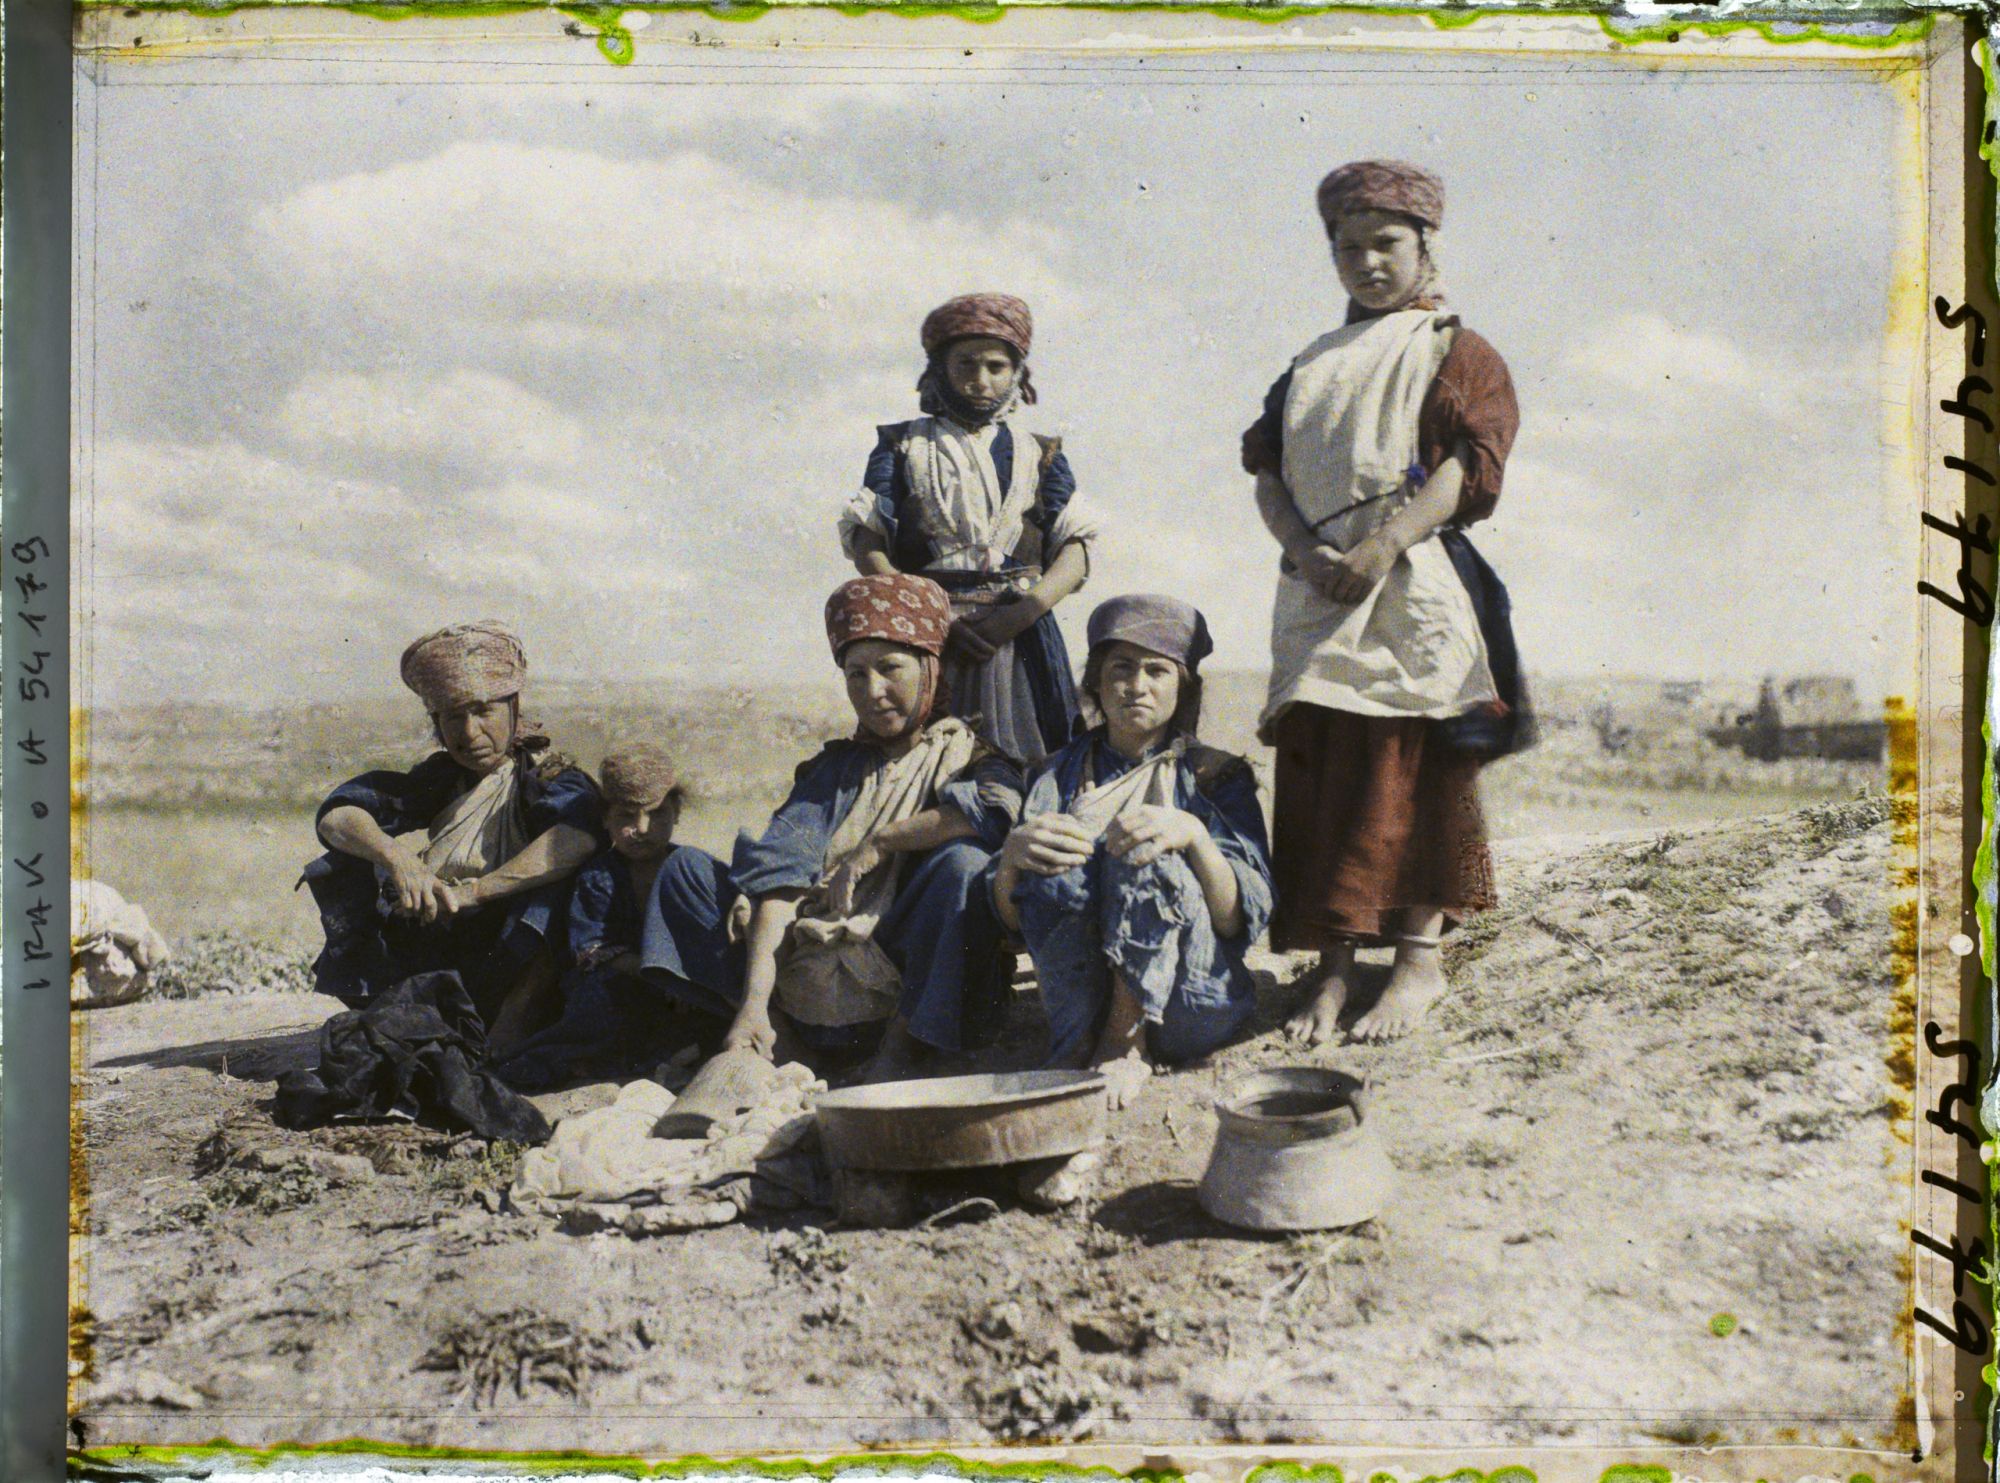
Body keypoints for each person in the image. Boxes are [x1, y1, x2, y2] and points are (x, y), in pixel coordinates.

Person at [1239, 159, 1527, 1046]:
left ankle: (1415, 962)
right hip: (1321, 582)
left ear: (1424, 246)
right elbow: (1268, 473)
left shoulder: (1450, 346)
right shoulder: (1310, 366)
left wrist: (1384, 545)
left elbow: (1464, 466)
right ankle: (1331, 973)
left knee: (1414, 762)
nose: (1367, 262)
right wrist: (1306, 552)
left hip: (1411, 570)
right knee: (1326, 766)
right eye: (1348, 247)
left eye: (1385, 245)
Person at [727, 575, 1023, 1076]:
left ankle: (902, 1049)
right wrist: (754, 1004)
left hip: (915, 978)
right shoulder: (833, 770)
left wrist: (879, 843)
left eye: (890, 669)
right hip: (814, 967)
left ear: (930, 668)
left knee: (965, 865)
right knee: (688, 875)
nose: (874, 691)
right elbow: (780, 876)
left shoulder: (971, 755)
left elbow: (994, 813)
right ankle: (769, 1033)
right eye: (856, 674)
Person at [991, 595, 1273, 1110]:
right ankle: (1078, 1048)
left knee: (1148, 854)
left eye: (1156, 671)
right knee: (1049, 859)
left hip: (1190, 1002)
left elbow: (1237, 922)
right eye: (1120, 668)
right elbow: (1013, 921)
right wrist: (1011, 857)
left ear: (1182, 686)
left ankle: (1125, 1045)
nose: (1136, 686)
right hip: (1082, 1007)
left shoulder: (1215, 776)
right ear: (1096, 683)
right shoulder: (1056, 776)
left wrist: (1192, 833)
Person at [302, 621, 602, 1053]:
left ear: (514, 708)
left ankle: (513, 1020)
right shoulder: (443, 778)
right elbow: (338, 815)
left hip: (522, 955)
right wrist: (400, 860)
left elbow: (578, 838)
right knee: (345, 859)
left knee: (569, 882)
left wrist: (474, 892)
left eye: (483, 711)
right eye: (453, 717)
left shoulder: (548, 777)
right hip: (452, 942)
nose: (469, 733)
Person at [838, 292, 1097, 766]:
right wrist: (929, 620)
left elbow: (1075, 549)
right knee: (917, 758)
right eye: (966, 365)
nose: (981, 380)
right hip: (929, 637)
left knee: (1034, 757)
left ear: (1018, 372)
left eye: (996, 367)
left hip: (1020, 632)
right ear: (939, 368)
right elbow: (868, 539)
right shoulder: (902, 445)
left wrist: (1012, 619)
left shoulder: (1041, 453)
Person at [497, 741, 747, 1089]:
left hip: (686, 987)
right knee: (596, 1007)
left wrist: (684, 977)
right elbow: (593, 949)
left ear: (676, 812)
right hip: (627, 981)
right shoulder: (599, 877)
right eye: (626, 816)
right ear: (605, 818)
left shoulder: (690, 866)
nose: (642, 828)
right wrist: (659, 973)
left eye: (656, 814)